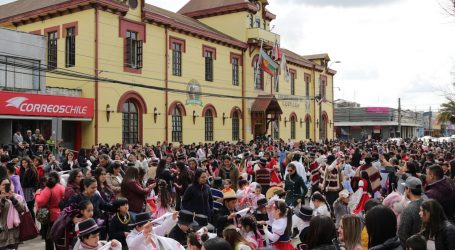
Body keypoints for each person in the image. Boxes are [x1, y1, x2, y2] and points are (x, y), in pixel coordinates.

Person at [35, 171, 65, 250]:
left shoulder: (48, 189)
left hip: (49, 216)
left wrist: (37, 194)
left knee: (49, 238)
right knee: (58, 236)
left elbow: (40, 202)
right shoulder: (61, 187)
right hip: (59, 214)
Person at [0, 177, 26, 250]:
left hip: (14, 234)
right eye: (3, 185)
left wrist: (13, 199)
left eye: (7, 184)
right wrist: (2, 200)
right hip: (2, 235)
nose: (5, 186)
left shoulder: (18, 197)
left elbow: (22, 210)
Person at [398, 177, 424, 247]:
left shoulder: (408, 209)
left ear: (408, 189)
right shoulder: (427, 203)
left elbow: (402, 235)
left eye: (405, 188)